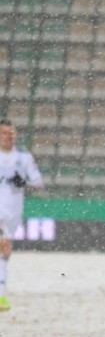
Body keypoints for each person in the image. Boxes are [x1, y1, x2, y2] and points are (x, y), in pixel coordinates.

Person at [0, 119, 44, 312]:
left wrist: (23, 182)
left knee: (5, 249)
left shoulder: (24, 158)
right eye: (4, 133)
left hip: (13, 210)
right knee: (3, 246)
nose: (8, 136)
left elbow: (38, 182)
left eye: (11, 133)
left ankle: (1, 294)